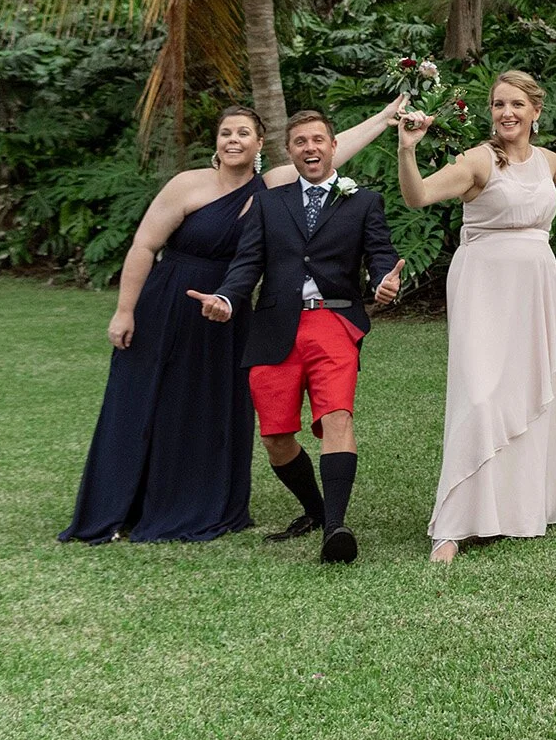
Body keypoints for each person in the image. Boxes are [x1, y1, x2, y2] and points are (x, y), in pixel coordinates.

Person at [62, 98, 400, 545]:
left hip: (230, 311)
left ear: (260, 144)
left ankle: (201, 501)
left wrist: (386, 116)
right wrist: (125, 310)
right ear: (217, 144)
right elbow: (144, 246)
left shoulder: (271, 186)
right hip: (170, 303)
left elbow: (330, 149)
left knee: (212, 408)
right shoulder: (187, 185)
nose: (234, 140)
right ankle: (122, 505)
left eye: (243, 133)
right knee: (146, 401)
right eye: (226, 133)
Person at [399, 70, 556, 564]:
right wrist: (407, 150)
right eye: (499, 104)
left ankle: (523, 506)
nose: (507, 113)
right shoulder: (478, 161)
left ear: (536, 111)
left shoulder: (545, 162)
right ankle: (454, 523)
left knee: (526, 388)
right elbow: (418, 197)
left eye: (516, 104)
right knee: (479, 396)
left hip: (533, 286)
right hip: (483, 285)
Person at [192, 108, 402, 564]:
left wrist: (386, 280)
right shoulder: (270, 203)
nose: (310, 148)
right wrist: (227, 300)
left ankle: (336, 528)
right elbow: (248, 262)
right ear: (289, 151)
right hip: (274, 325)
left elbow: (381, 253)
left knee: (337, 417)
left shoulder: (363, 201)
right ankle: (316, 510)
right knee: (276, 436)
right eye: (301, 142)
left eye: (318, 140)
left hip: (334, 321)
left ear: (332, 147)